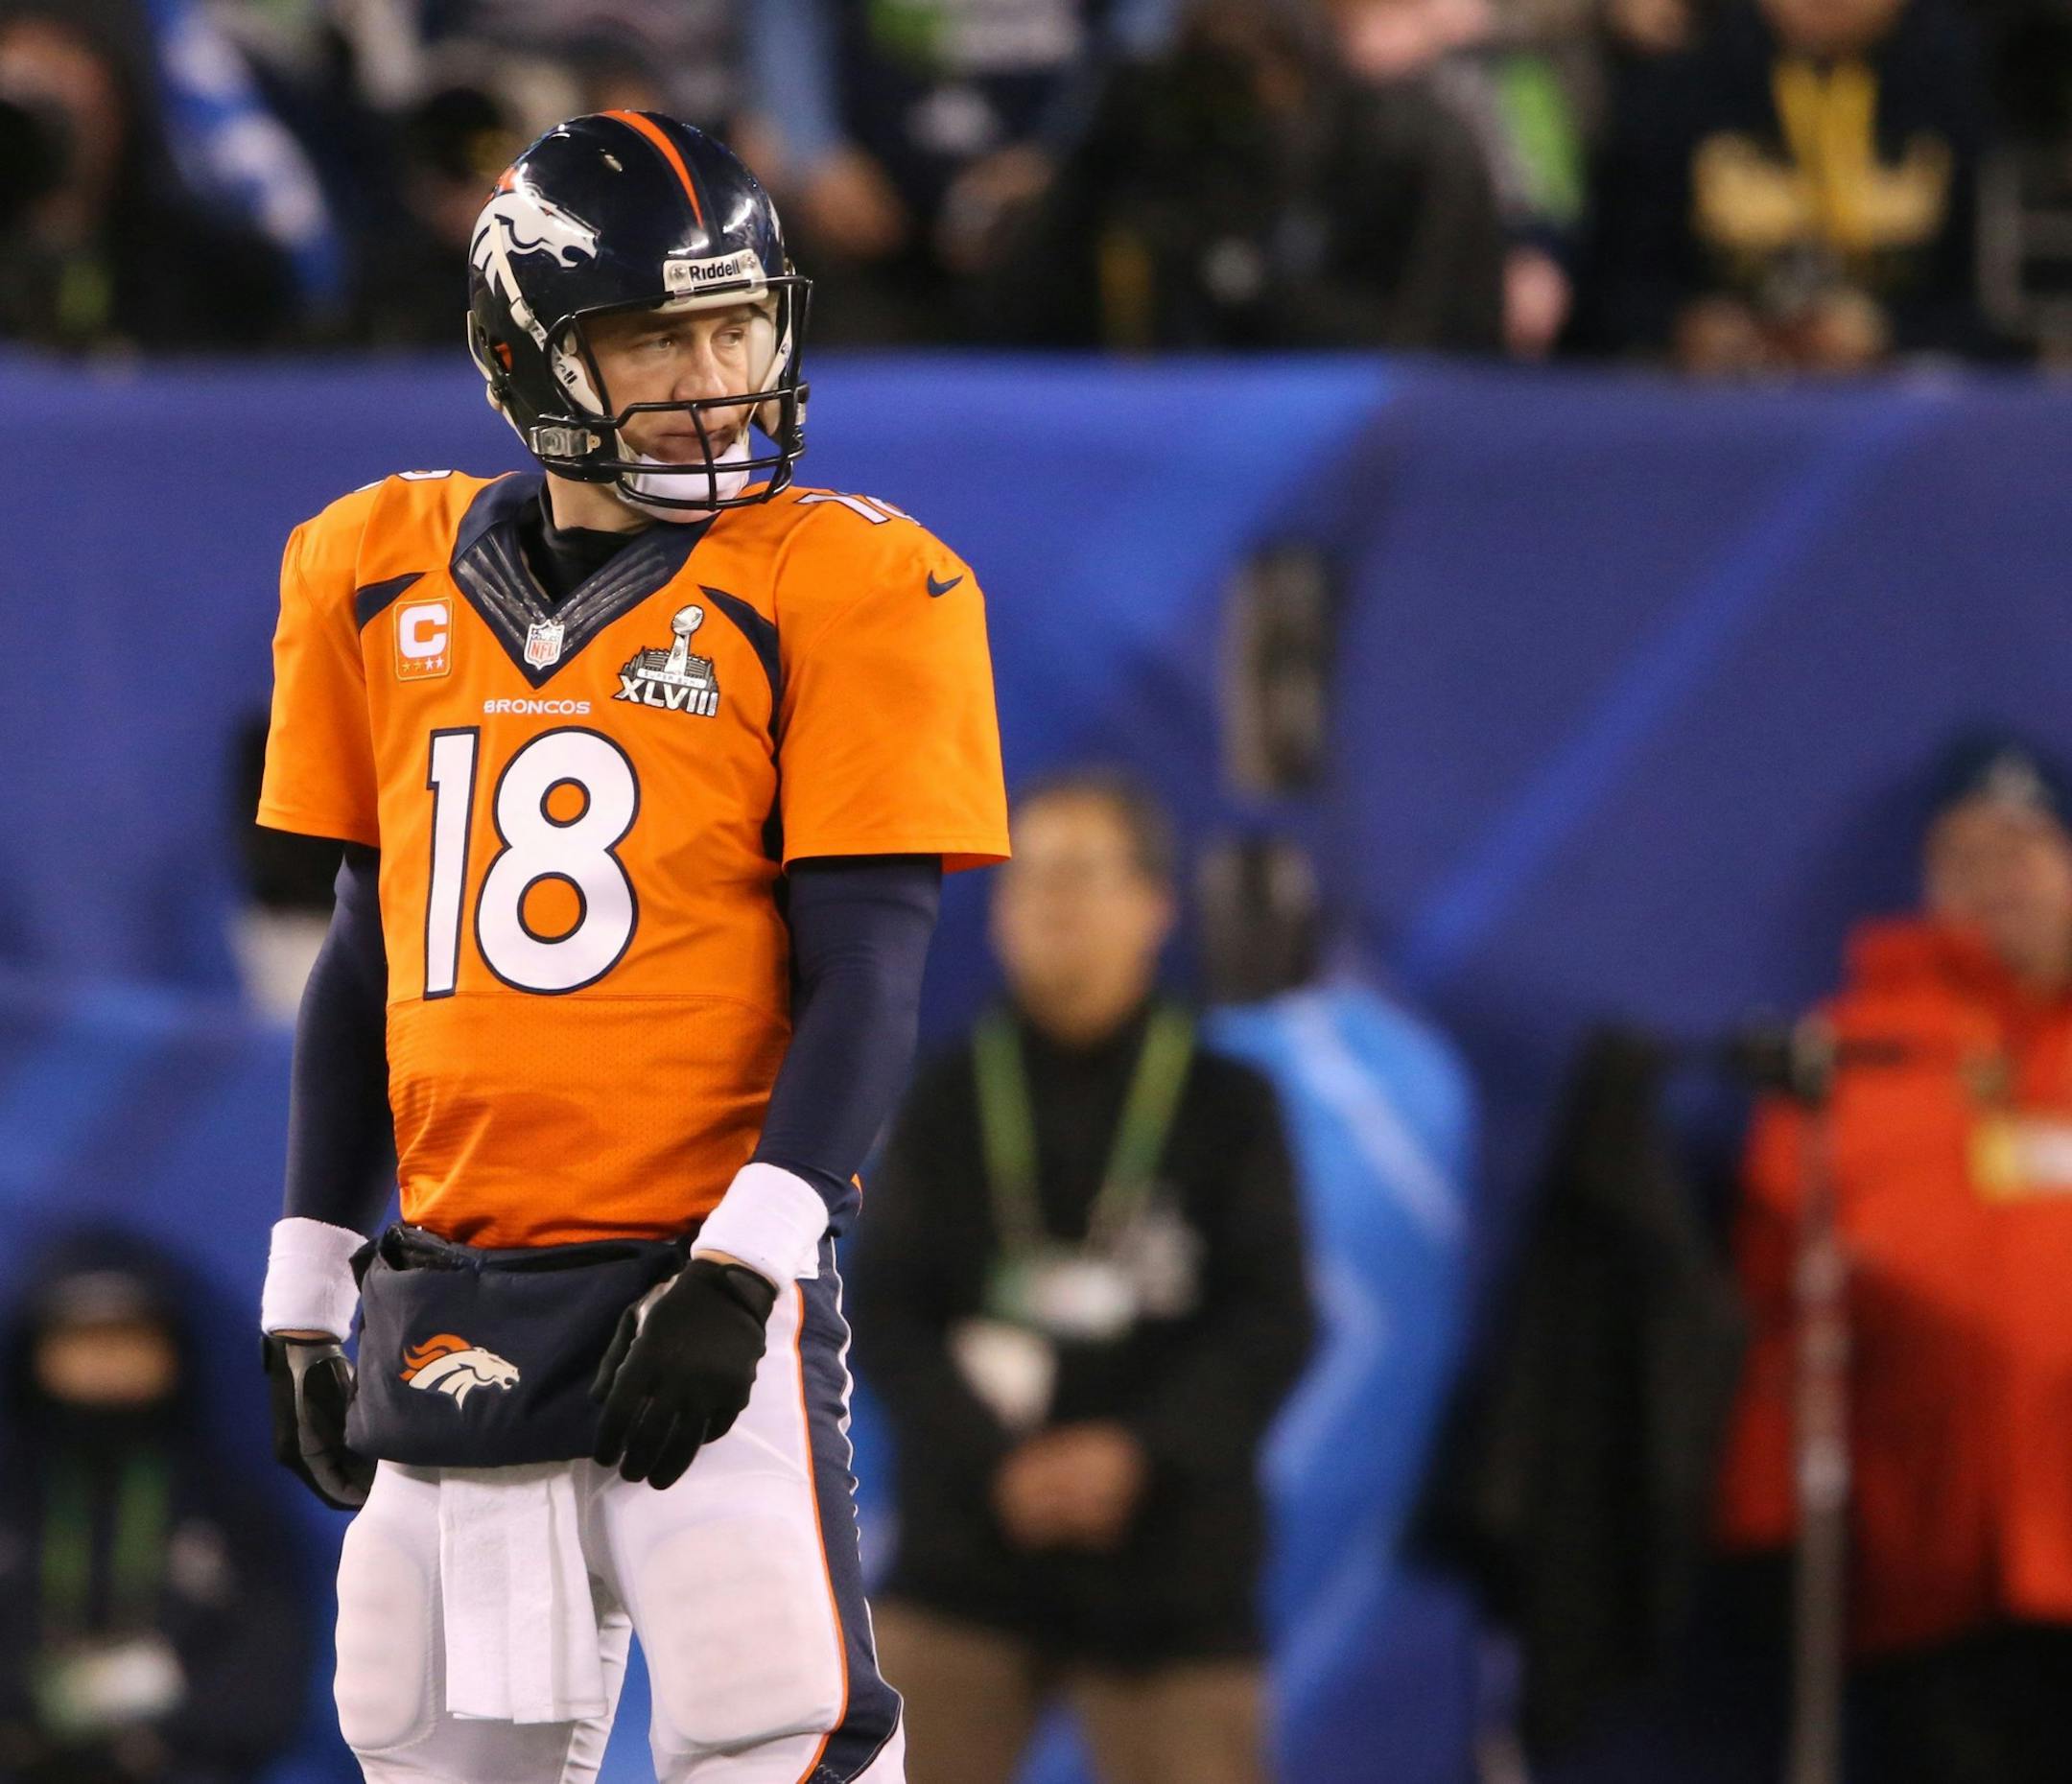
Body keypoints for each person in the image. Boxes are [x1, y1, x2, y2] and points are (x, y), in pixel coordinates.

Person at [253, 110, 1009, 1783]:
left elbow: (875, 968)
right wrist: (307, 1276)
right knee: (421, 1743)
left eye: (736, 323)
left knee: (775, 1734)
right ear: (524, 353)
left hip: (690, 1282)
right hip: (447, 1291)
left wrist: (747, 1266)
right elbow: (367, 961)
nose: (713, 372)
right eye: (654, 336)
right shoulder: (373, 572)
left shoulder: (851, 581)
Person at [851, 770, 1313, 1784]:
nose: (1049, 902)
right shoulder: (945, 1099)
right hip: (967, 1544)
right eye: (1027, 877)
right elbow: (884, 1313)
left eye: (1079, 872)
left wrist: (1137, 1455)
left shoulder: (1230, 1104)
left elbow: (1274, 1320)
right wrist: (997, 1460)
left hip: (1174, 1557)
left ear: (1156, 906)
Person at [1717, 733, 2072, 1783]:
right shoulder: (1854, 1055)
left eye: (2021, 849)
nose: (1992, 880)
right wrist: (1764, 1520)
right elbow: (1778, 1306)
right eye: (1959, 857)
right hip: (1923, 1569)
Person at [0, 1226, 311, 1784]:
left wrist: (149, 1732)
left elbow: (269, 1687)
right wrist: (51, 1708)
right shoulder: (12, 1497)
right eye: (82, 1336)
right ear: (33, 1349)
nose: (108, 1358)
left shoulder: (233, 1508)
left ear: (174, 1350)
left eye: (130, 1334)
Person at [1579, 0, 1993, 369]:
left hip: (1896, 407)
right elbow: (1613, 286)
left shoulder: (1956, 83)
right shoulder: (1677, 84)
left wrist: (1888, 333)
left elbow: (1982, 306)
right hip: (1705, 406)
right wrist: (1683, 325)